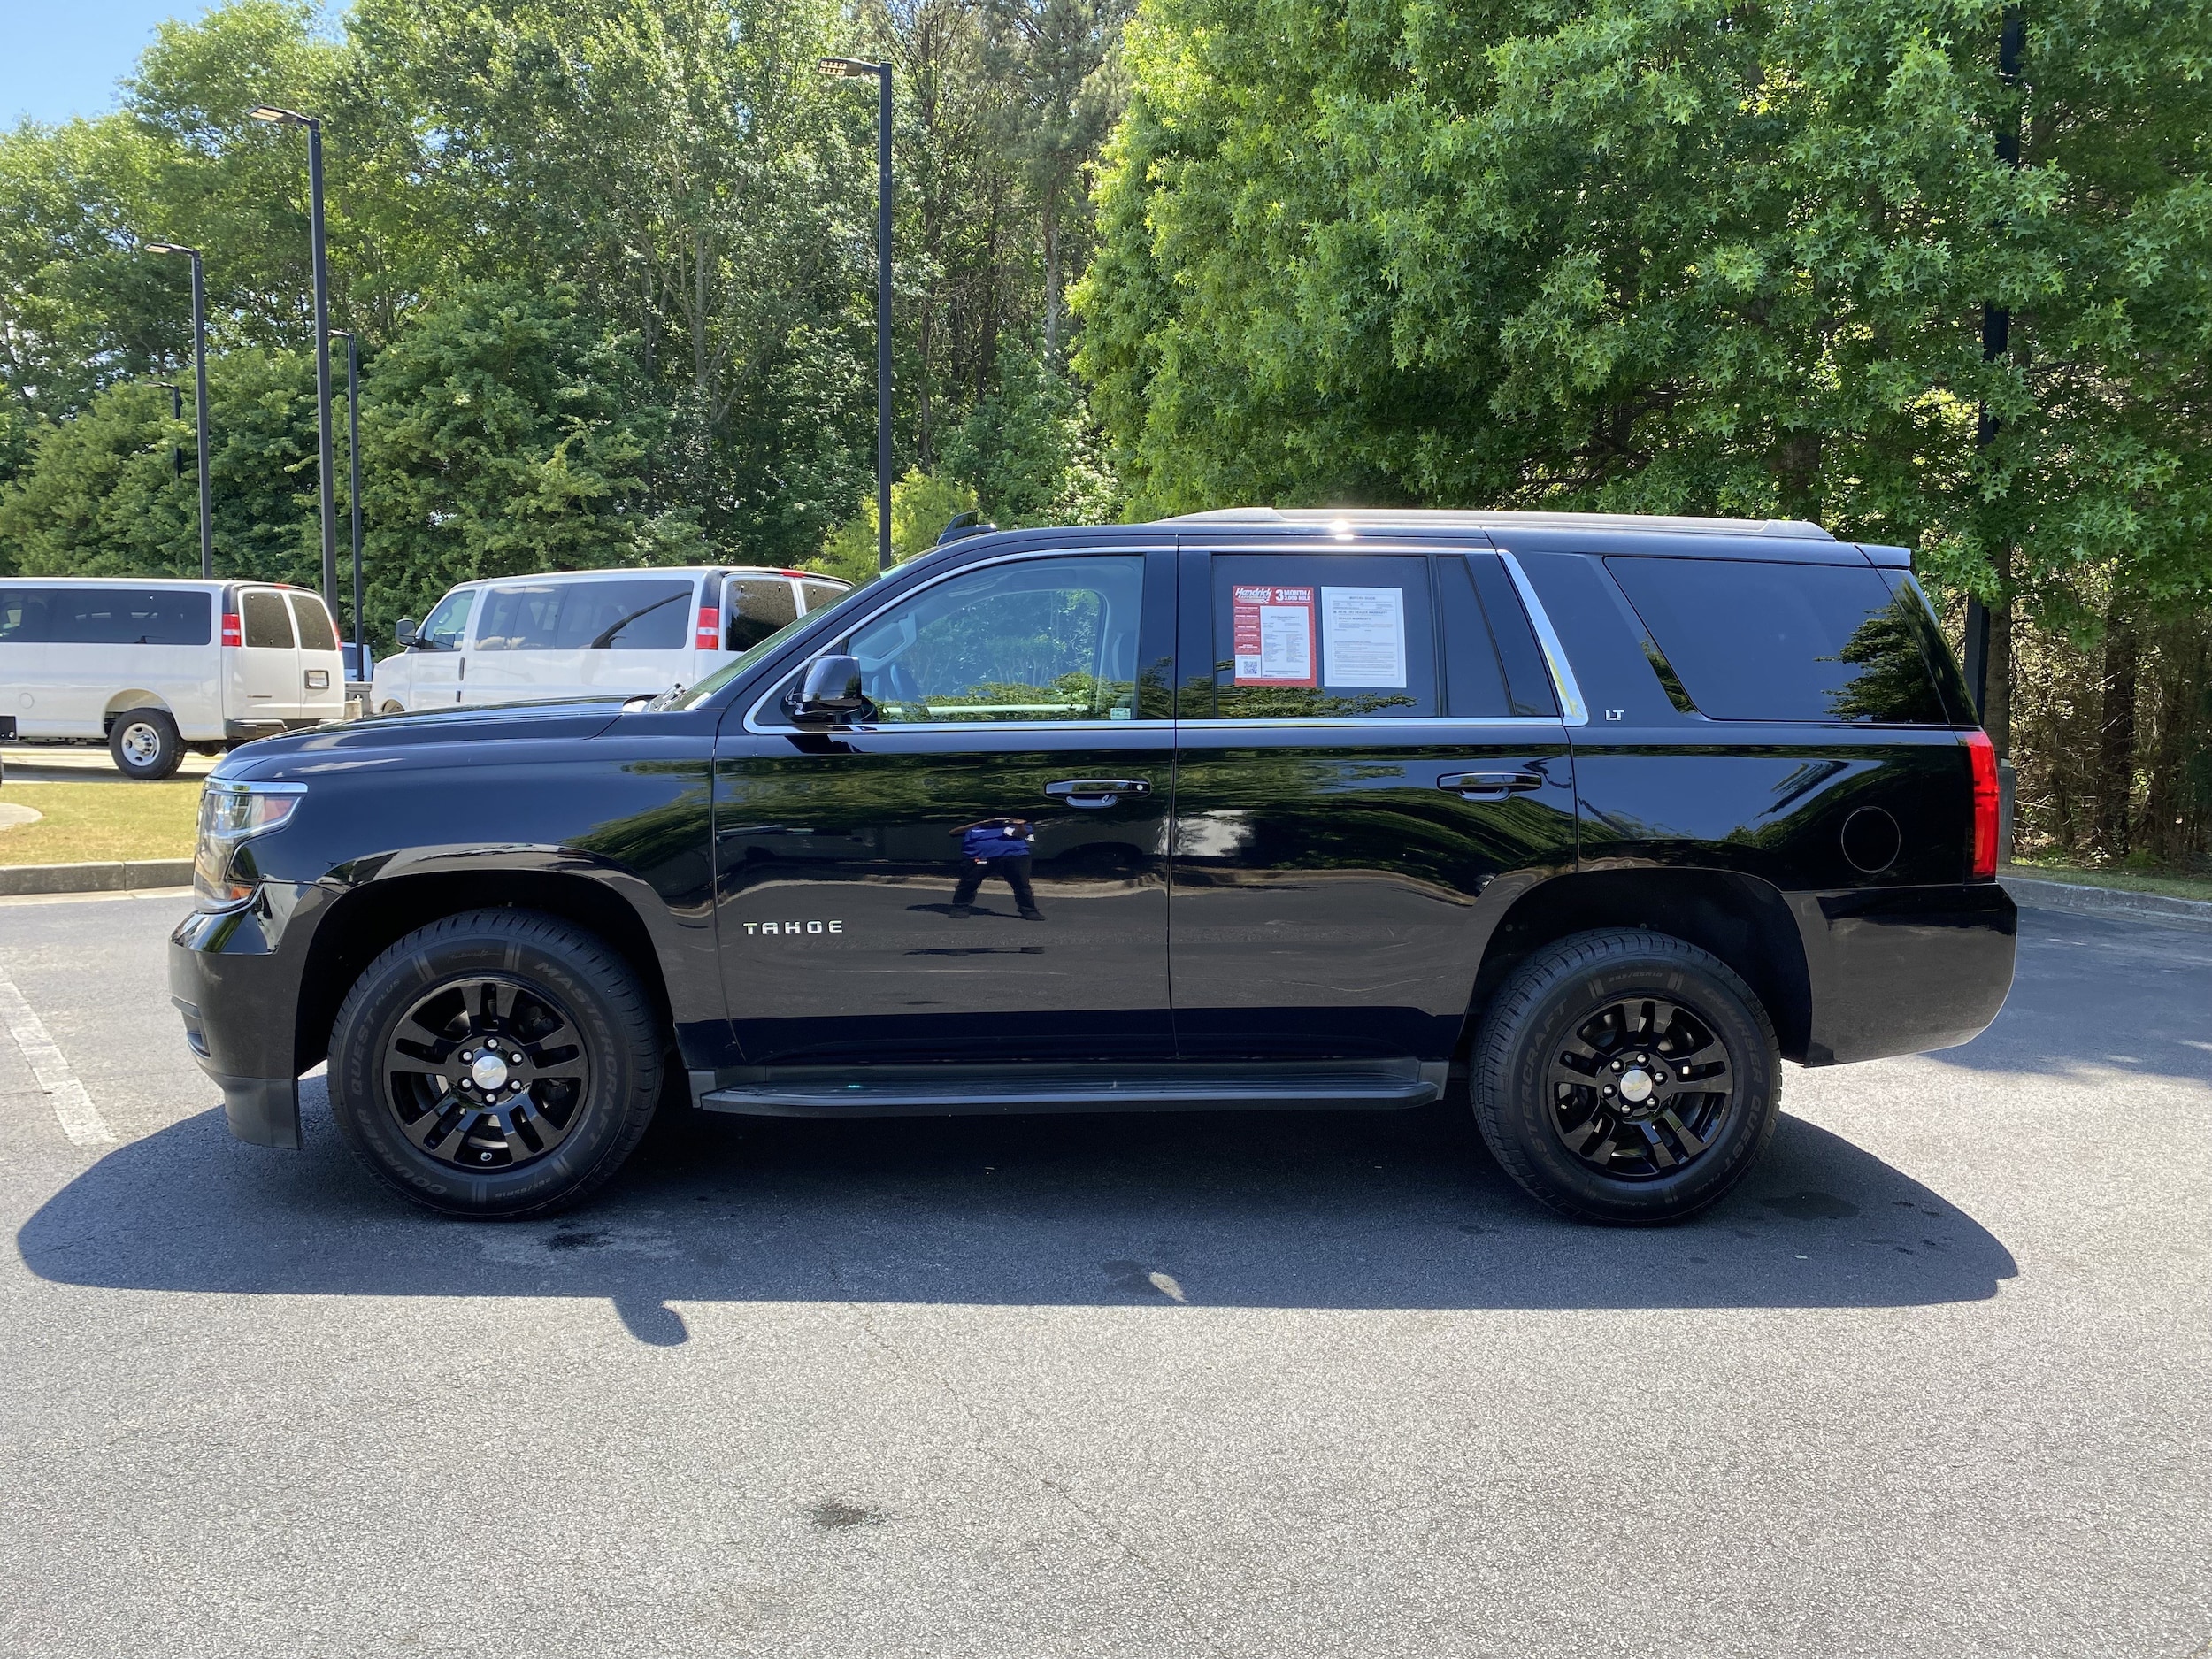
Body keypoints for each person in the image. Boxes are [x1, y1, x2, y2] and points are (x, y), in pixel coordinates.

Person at [949, 817, 1043, 919]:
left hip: (1013, 856)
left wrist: (1019, 824)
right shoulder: (976, 828)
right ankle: (959, 907)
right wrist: (980, 823)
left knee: (1021, 884)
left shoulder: (1015, 827)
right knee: (969, 882)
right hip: (980, 857)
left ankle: (1029, 910)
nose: (998, 821)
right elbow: (953, 832)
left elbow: (1021, 834)